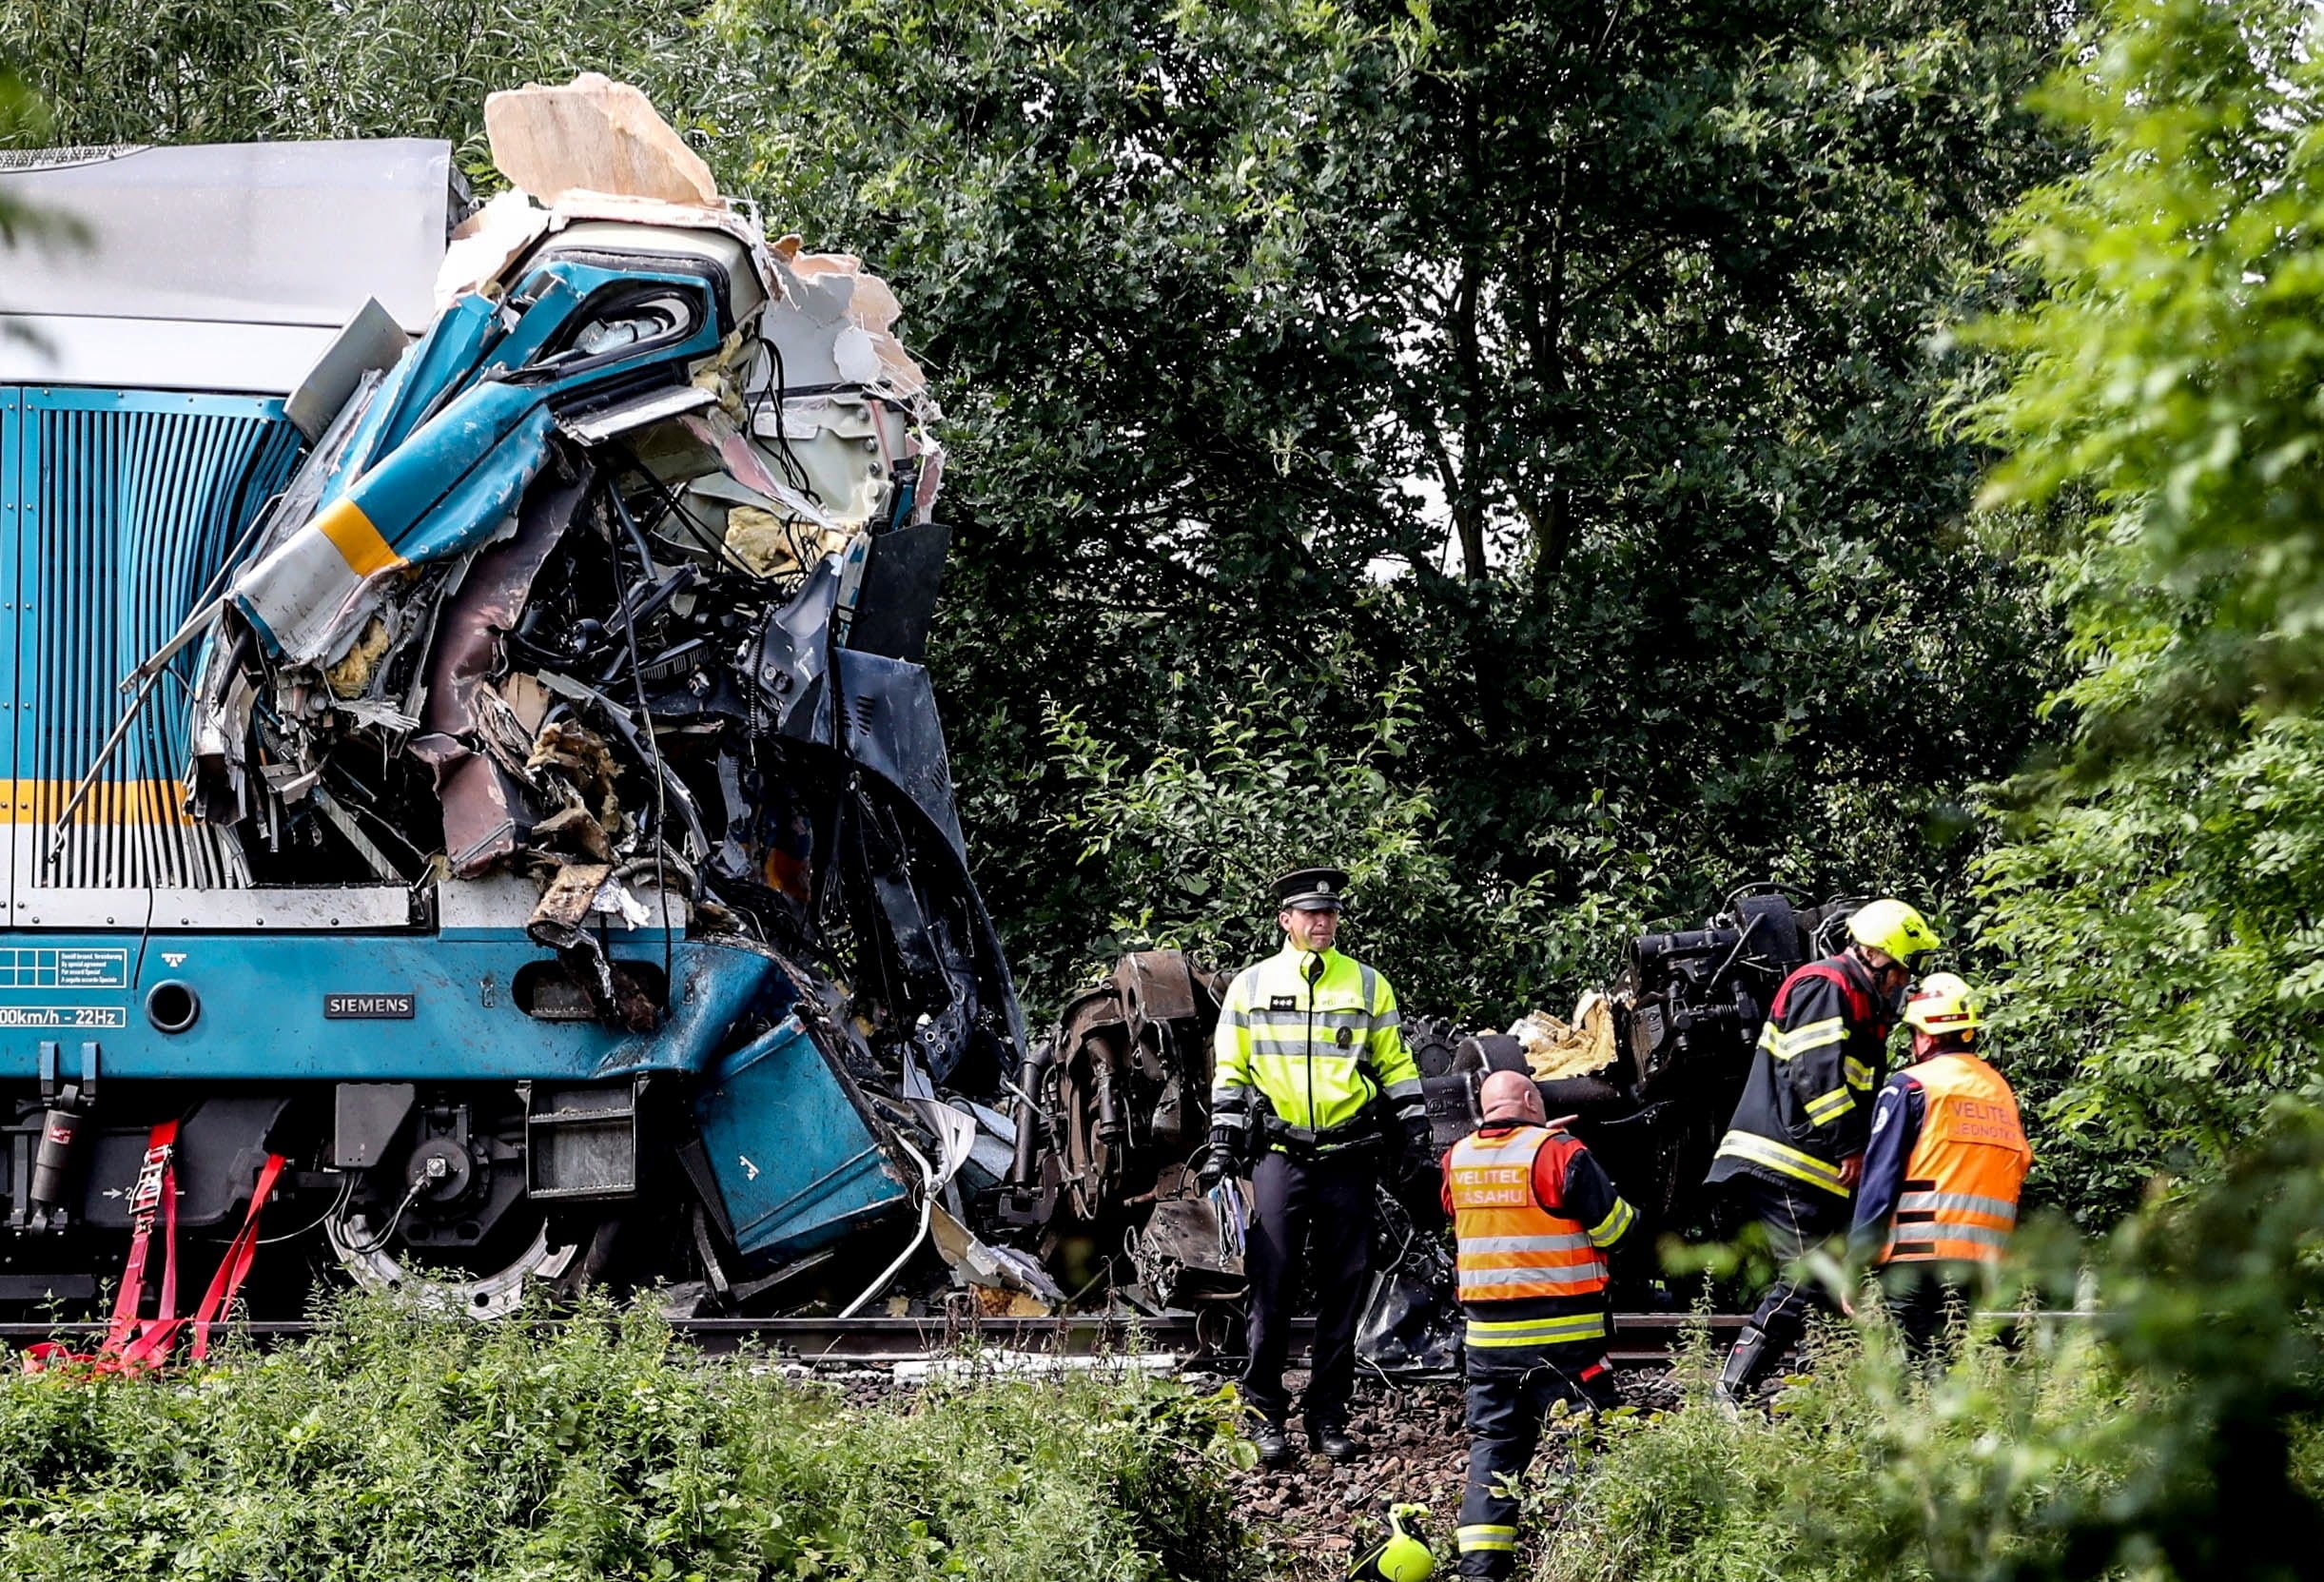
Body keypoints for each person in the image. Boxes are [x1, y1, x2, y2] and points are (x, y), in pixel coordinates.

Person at [1201, 865, 1430, 1467]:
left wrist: (1415, 1129)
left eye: (1329, 914)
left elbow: (1395, 1064)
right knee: (1271, 1289)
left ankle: (1328, 1417)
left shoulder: (1367, 984)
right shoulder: (1250, 986)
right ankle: (1264, 1417)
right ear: (1287, 920)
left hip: (1348, 1158)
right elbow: (1230, 1069)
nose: (1322, 921)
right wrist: (1223, 1144)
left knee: (1342, 1295)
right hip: (1280, 1156)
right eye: (1311, 914)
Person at [1706, 897, 1941, 1405]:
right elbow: (1819, 1077)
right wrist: (1852, 1146)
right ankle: (1728, 1393)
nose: (1905, 982)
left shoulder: (1857, 999)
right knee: (1809, 1278)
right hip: (1786, 1161)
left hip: (1813, 1168)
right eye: (1903, 968)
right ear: (1879, 956)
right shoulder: (1826, 985)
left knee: (1836, 1289)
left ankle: (1826, 1397)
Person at [1442, 1069, 1635, 1579]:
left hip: (1487, 1344)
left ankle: (1481, 1570)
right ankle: (1586, 1557)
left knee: (1494, 1451)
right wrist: (1565, 1143)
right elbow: (1615, 1228)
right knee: (1588, 1442)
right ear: (1531, 1099)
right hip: (1563, 1340)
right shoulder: (1557, 1152)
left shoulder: (1457, 1158)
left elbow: (1460, 1213)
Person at [1847, 971, 2032, 1363]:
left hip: (1917, 1257)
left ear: (1926, 1036)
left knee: (1917, 1370)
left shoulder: (1913, 1085)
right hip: (1983, 1261)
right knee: (1960, 1367)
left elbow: (1880, 1179)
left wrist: (1856, 1260)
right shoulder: (1999, 1091)